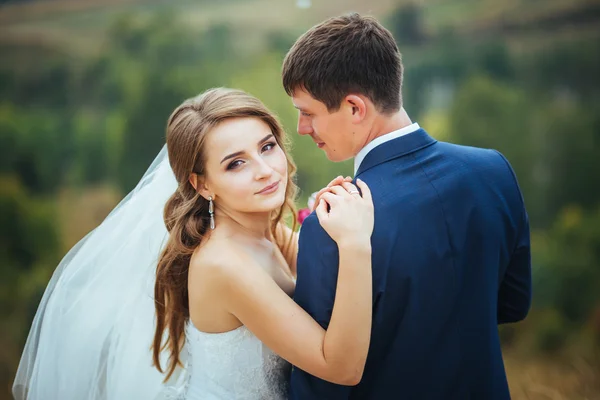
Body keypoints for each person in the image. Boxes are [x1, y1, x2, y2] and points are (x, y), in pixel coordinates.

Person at [12, 88, 375, 400]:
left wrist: (331, 220)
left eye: (267, 147)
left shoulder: (269, 231)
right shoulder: (222, 265)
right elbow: (340, 367)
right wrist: (356, 243)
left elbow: (323, 274)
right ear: (202, 185)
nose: (264, 169)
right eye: (236, 164)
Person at [282, 13, 532, 400]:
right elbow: (514, 303)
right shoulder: (493, 170)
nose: (301, 128)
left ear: (354, 108)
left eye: (308, 112)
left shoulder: (332, 226)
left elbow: (319, 389)